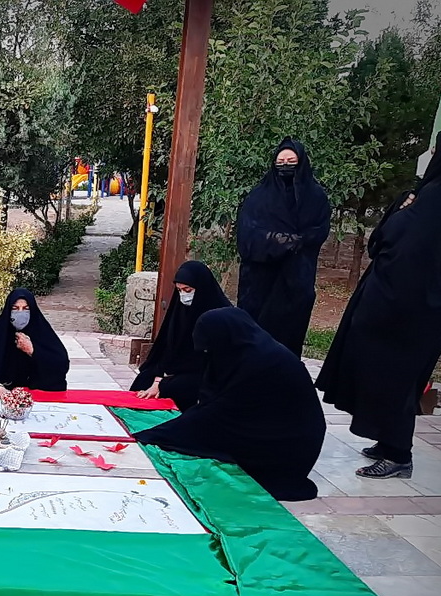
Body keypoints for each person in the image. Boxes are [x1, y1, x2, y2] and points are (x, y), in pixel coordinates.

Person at [315, 130, 441, 479]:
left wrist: (403, 211)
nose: (429, 155)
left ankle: (399, 455)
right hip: (400, 306)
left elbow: (400, 246)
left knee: (396, 378)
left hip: (409, 313)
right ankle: (387, 440)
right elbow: (386, 242)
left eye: (435, 150)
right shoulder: (428, 194)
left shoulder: (440, 202)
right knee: (382, 373)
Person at [135, 307, 326, 502]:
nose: (209, 355)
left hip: (287, 448)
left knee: (206, 435)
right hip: (276, 429)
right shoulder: (248, 350)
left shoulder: (261, 363)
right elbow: (207, 388)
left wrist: (153, 435)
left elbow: (216, 414)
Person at [236, 138, 331, 357]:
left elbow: (320, 230)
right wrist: (280, 241)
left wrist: (298, 241)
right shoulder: (259, 196)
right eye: (280, 162)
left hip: (296, 280)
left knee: (287, 339)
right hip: (260, 282)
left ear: (301, 163)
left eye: (291, 161)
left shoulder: (316, 197)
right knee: (253, 337)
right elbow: (247, 234)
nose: (285, 166)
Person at [130, 261, 232, 410]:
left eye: (187, 290)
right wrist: (159, 376)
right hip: (176, 369)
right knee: (145, 378)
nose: (183, 295)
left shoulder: (220, 314)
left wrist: (164, 381)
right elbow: (168, 346)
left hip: (205, 372)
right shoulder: (180, 310)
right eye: (179, 290)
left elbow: (212, 358)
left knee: (172, 388)